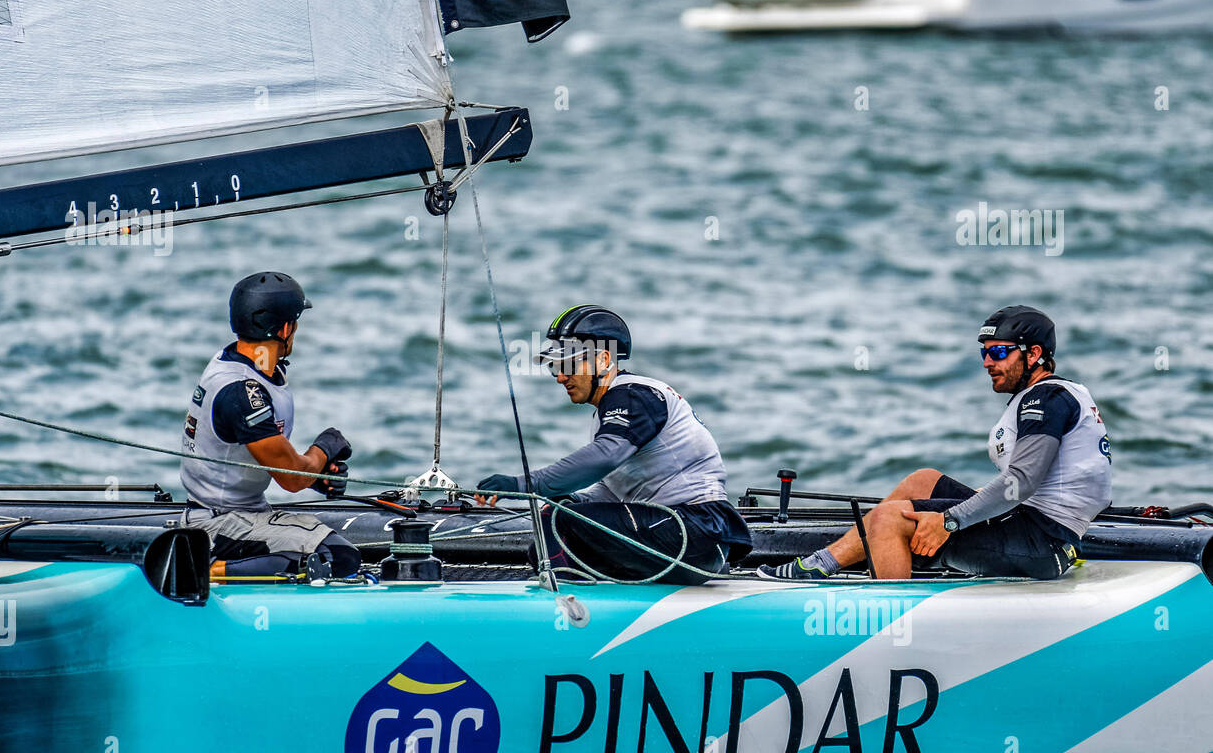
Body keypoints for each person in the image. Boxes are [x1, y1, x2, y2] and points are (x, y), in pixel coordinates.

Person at [760, 306, 1111, 582]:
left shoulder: (1045, 400)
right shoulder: (1055, 395)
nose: (988, 363)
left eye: (1000, 353)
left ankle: (889, 625)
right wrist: (954, 510)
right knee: (922, 481)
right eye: (985, 354)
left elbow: (1021, 483)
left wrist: (948, 521)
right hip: (1036, 524)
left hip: (1043, 543)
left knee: (888, 519)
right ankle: (829, 563)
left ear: (1034, 354)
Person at [475, 305, 752, 583]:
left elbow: (605, 457)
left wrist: (524, 485)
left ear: (603, 359)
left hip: (695, 531)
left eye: (569, 365)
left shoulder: (633, 395)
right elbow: (613, 489)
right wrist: (570, 499)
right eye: (556, 368)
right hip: (685, 537)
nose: (561, 377)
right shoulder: (612, 410)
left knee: (557, 523)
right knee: (548, 534)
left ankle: (560, 608)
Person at [180, 272, 362, 579]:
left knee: (335, 552)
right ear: (286, 327)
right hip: (219, 523)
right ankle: (207, 569)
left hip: (242, 512)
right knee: (337, 557)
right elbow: (291, 480)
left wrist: (316, 476)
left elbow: (264, 459)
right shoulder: (242, 392)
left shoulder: (245, 365)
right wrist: (323, 450)